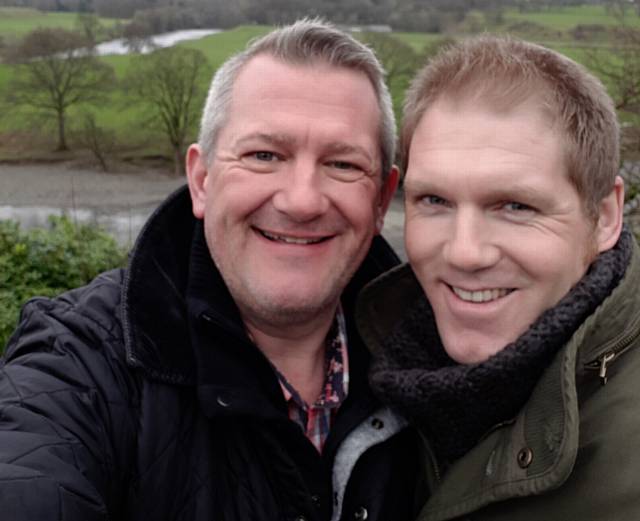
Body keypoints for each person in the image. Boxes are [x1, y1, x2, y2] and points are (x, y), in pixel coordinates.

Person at [0, 20, 421, 521]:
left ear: (381, 200)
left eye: (343, 165)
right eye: (264, 155)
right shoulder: (82, 359)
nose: (302, 200)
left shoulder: (436, 363)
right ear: (202, 180)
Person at [357, 35, 639, 520]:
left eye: (515, 206)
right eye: (434, 201)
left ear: (606, 216)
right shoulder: (380, 370)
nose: (466, 252)